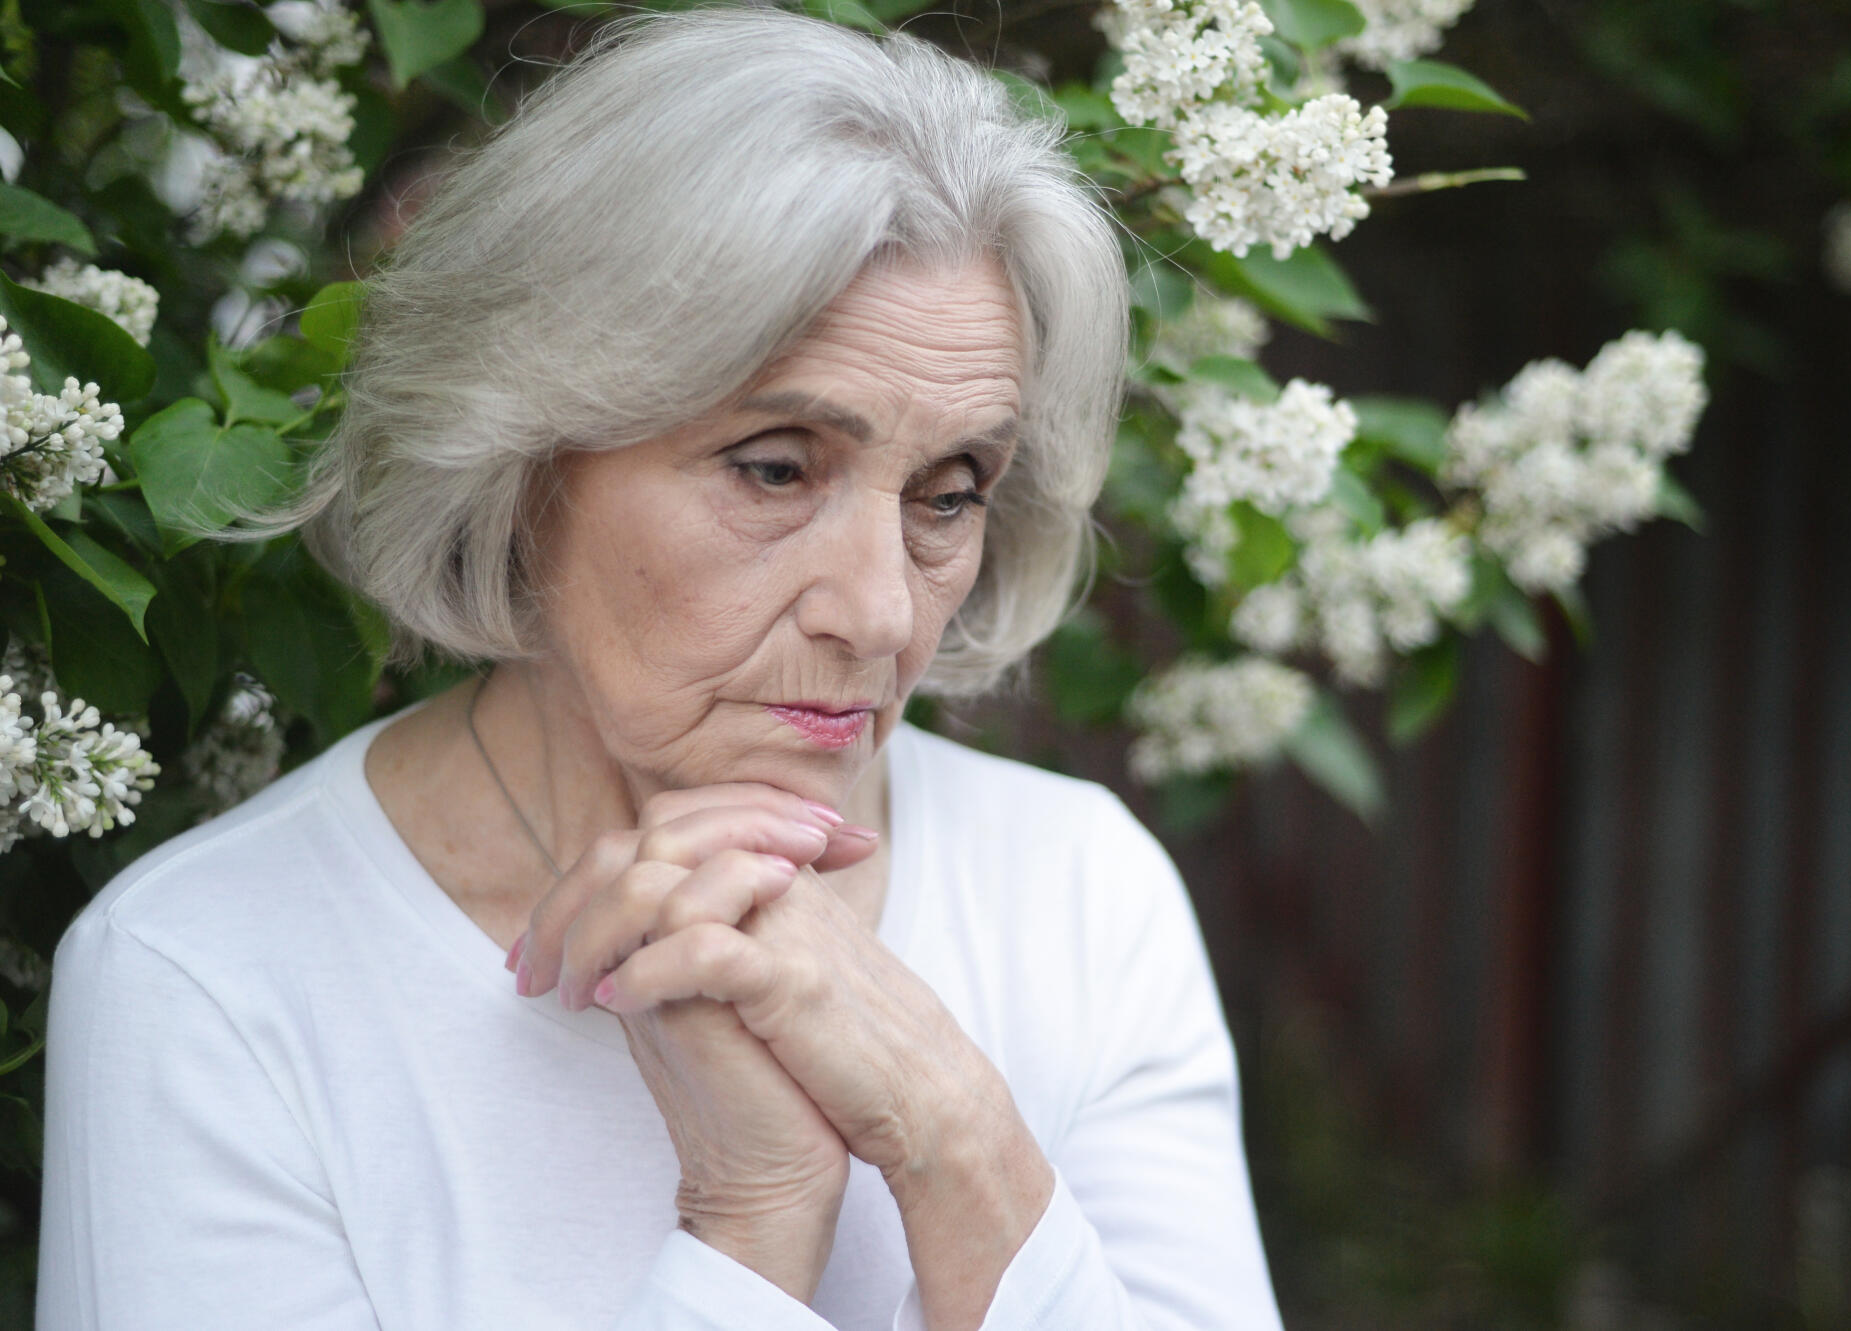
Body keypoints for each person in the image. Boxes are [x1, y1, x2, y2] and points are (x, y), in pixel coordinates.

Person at [36, 8, 1284, 1328]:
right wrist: (749, 1227)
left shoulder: (1079, 896)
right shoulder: (210, 978)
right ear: (523, 461)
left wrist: (955, 1135)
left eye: (950, 490)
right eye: (776, 468)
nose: (875, 611)